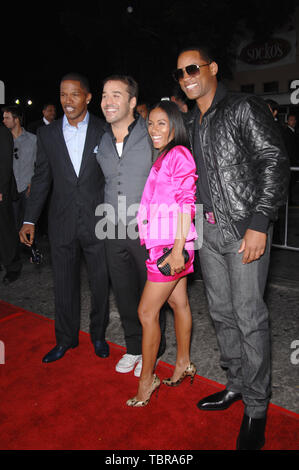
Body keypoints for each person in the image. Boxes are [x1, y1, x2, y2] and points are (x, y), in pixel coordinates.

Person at [175, 45, 289, 450]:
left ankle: (257, 408)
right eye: (180, 72)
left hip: (243, 231)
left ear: (212, 69)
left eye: (193, 68)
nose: (187, 76)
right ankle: (236, 385)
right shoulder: (192, 120)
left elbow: (274, 160)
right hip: (207, 233)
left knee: (248, 316)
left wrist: (259, 224)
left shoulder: (243, 107)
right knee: (222, 315)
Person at [19, 73, 110, 363]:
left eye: (74, 95)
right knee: (63, 284)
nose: (67, 101)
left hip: (98, 220)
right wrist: (29, 219)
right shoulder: (48, 134)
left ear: (87, 97)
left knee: (99, 283)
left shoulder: (103, 130)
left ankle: (98, 335)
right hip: (61, 221)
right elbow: (42, 177)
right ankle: (65, 339)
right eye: (62, 95)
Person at [126, 100, 198, 407]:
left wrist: (179, 250)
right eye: (151, 123)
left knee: (146, 312)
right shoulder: (166, 154)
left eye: (161, 124)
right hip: (169, 244)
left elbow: (186, 203)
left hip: (173, 248)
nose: (154, 130)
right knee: (179, 302)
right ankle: (184, 363)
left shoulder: (178, 154)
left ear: (174, 126)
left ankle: (147, 380)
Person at [96, 75, 166, 377]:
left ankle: (155, 349)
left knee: (150, 295)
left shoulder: (151, 135)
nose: (108, 101)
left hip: (147, 229)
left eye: (116, 95)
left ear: (133, 102)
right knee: (123, 293)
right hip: (112, 229)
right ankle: (134, 348)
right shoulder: (101, 140)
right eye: (104, 95)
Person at [2, 106, 37, 232]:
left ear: (16, 120)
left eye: (7, 118)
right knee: (11, 226)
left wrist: (33, 183)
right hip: (10, 190)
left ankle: (30, 249)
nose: (4, 121)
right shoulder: (3, 141)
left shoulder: (33, 140)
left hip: (27, 189)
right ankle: (13, 251)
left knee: (29, 223)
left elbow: (39, 165)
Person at [0, 124, 22, 285]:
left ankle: (13, 266)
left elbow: (5, 163)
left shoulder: (2, 132)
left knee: (5, 229)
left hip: (2, 190)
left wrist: (1, 189)